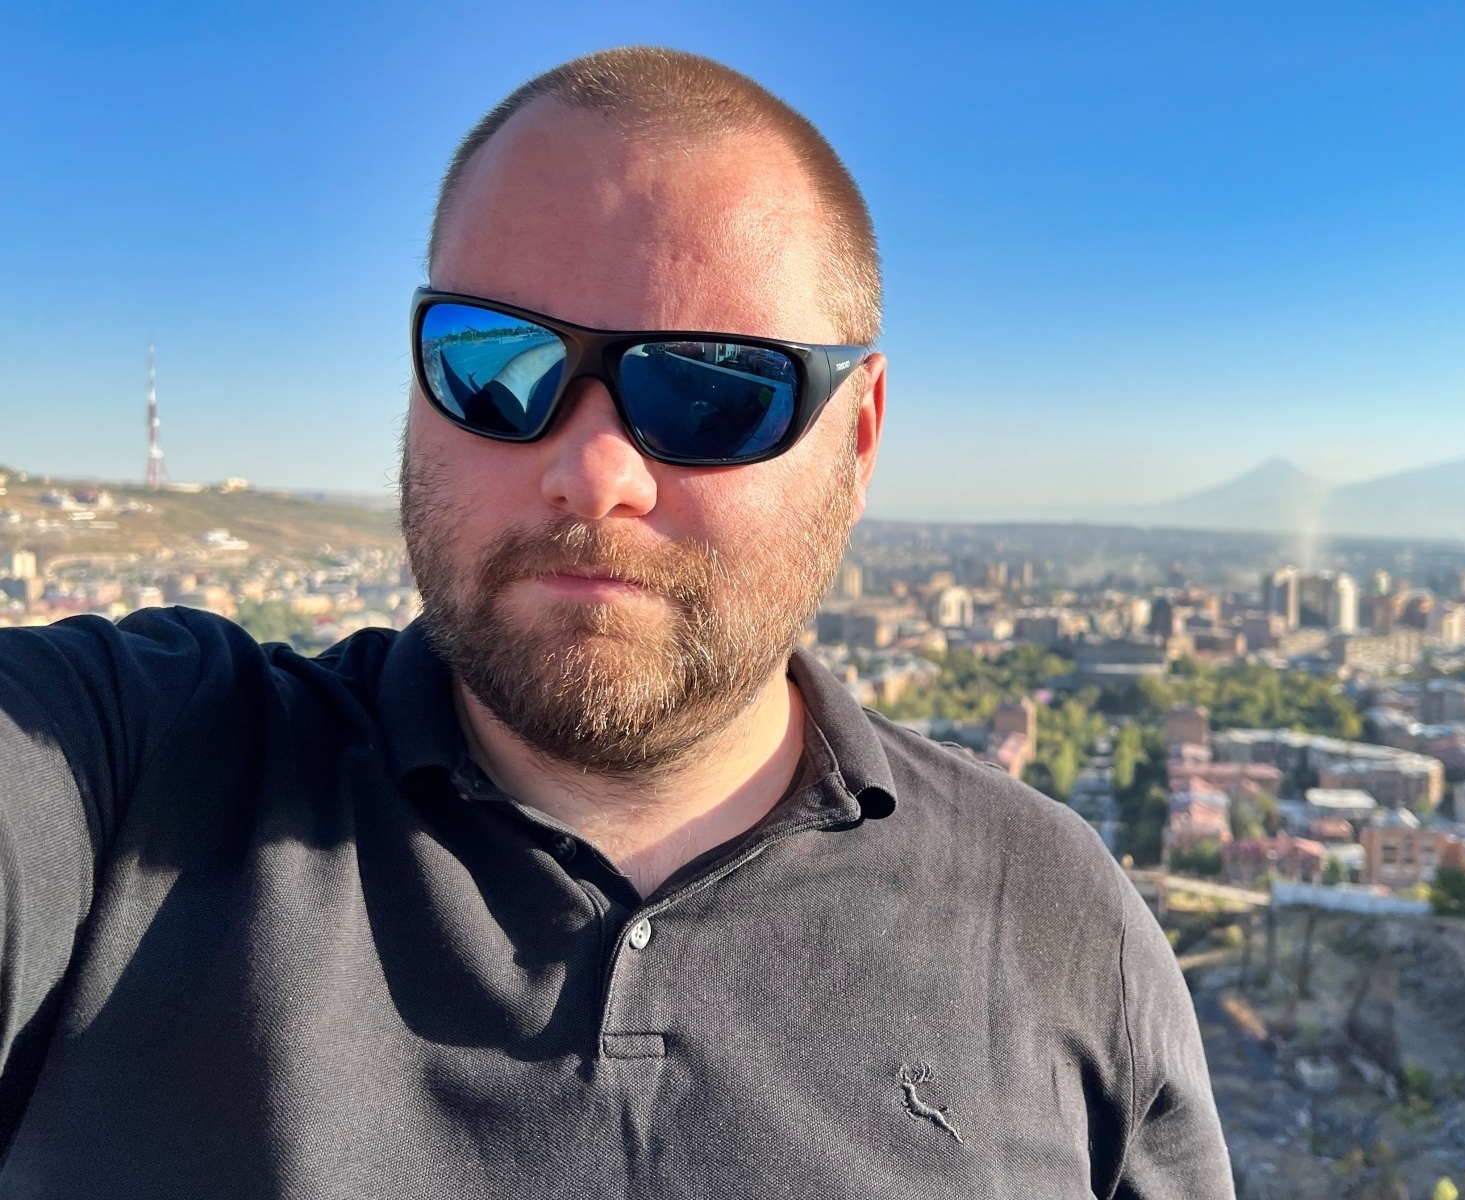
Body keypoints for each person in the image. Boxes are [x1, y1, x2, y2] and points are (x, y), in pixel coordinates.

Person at [0, 47, 1233, 1198]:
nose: (592, 473)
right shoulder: (133, 780)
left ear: (858, 437)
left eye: (711, 390)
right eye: (497, 364)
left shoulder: (1054, 926)